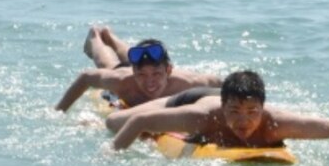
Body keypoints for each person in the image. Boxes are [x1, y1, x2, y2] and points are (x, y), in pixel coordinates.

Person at [108, 69, 329, 165]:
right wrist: (114, 153)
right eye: (235, 113)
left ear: (262, 109)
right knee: (113, 121)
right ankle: (113, 67)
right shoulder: (202, 117)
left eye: (252, 113)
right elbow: (140, 123)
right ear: (224, 109)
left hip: (224, 93)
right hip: (190, 97)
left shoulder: (276, 124)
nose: (244, 121)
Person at [55, 34, 222, 113]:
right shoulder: (122, 81)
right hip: (121, 70)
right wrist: (60, 111)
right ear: (133, 72)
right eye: (142, 75)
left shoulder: (189, 83)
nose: (150, 82)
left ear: (168, 70)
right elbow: (86, 77)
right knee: (108, 64)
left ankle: (110, 37)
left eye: (157, 74)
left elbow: (223, 84)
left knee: (130, 58)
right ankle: (96, 36)